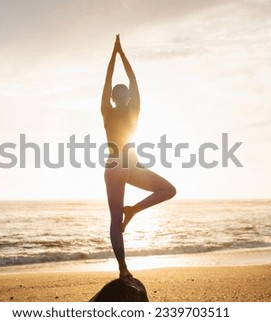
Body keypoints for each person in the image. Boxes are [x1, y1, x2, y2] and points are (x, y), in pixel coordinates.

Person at [101, 34, 176, 278]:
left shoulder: (106, 111)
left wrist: (114, 55)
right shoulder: (134, 109)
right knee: (168, 190)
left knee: (114, 221)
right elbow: (132, 80)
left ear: (113, 99)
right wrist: (122, 55)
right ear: (128, 98)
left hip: (116, 166)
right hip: (130, 165)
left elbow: (109, 80)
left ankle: (123, 269)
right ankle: (133, 210)